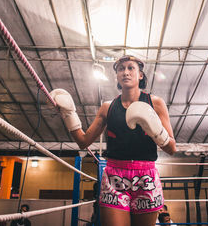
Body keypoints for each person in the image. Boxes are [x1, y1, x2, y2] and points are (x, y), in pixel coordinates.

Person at [50, 55, 176, 226]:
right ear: (116, 76)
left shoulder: (156, 103)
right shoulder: (108, 107)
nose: (125, 72)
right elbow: (83, 141)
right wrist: (68, 115)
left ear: (140, 75)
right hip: (115, 177)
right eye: (121, 69)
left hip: (146, 177)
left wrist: (157, 131)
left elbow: (171, 148)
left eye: (131, 68)